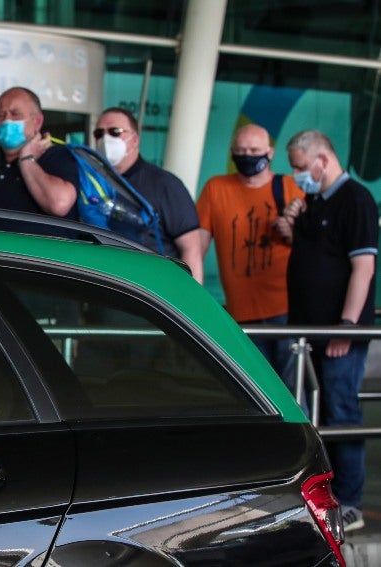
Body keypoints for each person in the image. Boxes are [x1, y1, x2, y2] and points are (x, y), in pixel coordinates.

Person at [284, 129, 377, 533]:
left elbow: (364, 267)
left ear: (323, 160)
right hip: (307, 331)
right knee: (310, 411)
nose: (298, 175)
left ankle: (351, 500)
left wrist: (347, 326)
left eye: (302, 167)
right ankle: (323, 493)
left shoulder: (355, 199)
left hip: (339, 332)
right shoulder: (313, 203)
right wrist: (290, 220)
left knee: (341, 412)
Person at [197, 124, 303, 372]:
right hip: (240, 312)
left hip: (286, 309)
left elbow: (314, 246)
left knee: (292, 388)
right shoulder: (216, 188)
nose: (247, 155)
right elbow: (197, 245)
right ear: (232, 151)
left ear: (270, 152)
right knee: (254, 391)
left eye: (254, 150)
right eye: (241, 150)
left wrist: (293, 232)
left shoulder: (290, 187)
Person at [93, 108, 203, 282]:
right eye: (99, 133)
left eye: (115, 132)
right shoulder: (92, 182)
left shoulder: (164, 185)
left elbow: (192, 249)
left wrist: (191, 301)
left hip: (151, 294)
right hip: (106, 288)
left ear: (134, 140)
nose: (106, 139)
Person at [0, 87, 79, 239]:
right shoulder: (1, 175)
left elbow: (60, 203)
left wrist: (27, 160)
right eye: (0, 115)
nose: (6, 120)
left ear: (37, 121)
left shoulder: (56, 156)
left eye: (15, 114)